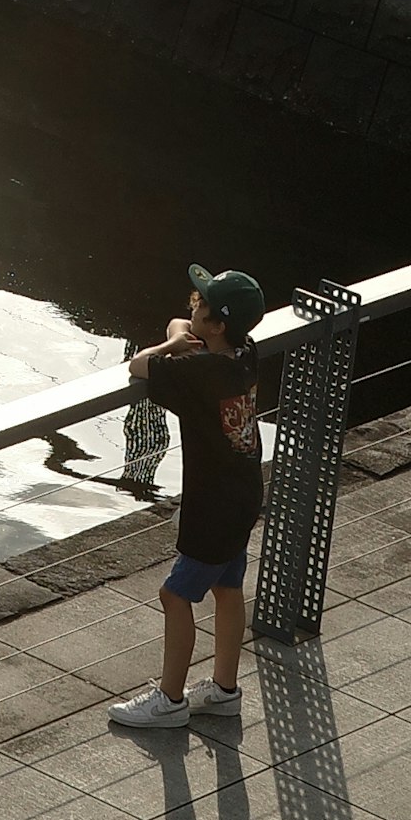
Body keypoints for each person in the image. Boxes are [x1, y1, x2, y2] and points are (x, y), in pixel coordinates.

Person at [110, 264, 276, 729]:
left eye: (201, 304)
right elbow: (182, 326)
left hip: (211, 506)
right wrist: (185, 334)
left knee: (174, 594)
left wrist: (171, 345)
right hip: (243, 494)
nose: (193, 307)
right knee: (227, 586)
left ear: (216, 325)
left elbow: (139, 364)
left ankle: (170, 700)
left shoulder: (197, 370)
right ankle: (224, 690)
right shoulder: (243, 353)